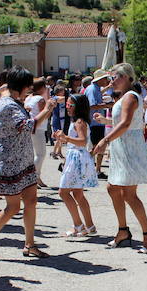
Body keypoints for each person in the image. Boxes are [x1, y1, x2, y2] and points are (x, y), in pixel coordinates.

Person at [0, 66, 50, 260]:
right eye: (28, 86)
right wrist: (47, 110)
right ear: (20, 86)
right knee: (13, 207)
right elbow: (26, 127)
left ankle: (29, 245)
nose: (30, 90)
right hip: (11, 161)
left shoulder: (13, 102)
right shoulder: (8, 105)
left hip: (23, 160)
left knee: (31, 201)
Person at [92, 62, 147, 253]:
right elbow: (123, 122)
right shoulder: (125, 97)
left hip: (129, 147)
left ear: (129, 78)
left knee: (129, 194)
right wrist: (106, 121)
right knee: (113, 189)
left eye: (117, 76)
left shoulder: (130, 96)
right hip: (123, 145)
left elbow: (125, 123)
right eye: (112, 77)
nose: (113, 80)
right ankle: (123, 230)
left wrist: (105, 140)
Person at [54, 93, 98, 237]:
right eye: (66, 104)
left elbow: (82, 141)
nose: (67, 107)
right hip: (77, 157)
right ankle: (89, 225)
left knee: (63, 192)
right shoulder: (79, 121)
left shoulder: (79, 122)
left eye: (70, 105)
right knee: (78, 194)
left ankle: (79, 225)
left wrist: (66, 138)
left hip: (77, 158)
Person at [24, 79, 55, 188]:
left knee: (34, 154)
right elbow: (45, 114)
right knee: (41, 154)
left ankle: (36, 176)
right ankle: (34, 177)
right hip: (39, 128)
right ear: (41, 88)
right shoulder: (40, 99)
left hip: (30, 127)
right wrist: (50, 108)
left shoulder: (28, 98)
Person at [85, 69, 113, 175]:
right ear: (100, 79)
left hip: (97, 122)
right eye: (105, 78)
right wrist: (107, 105)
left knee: (98, 146)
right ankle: (92, 169)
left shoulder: (95, 88)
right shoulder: (93, 89)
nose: (106, 80)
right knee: (98, 147)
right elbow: (92, 105)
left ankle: (95, 169)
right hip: (95, 122)